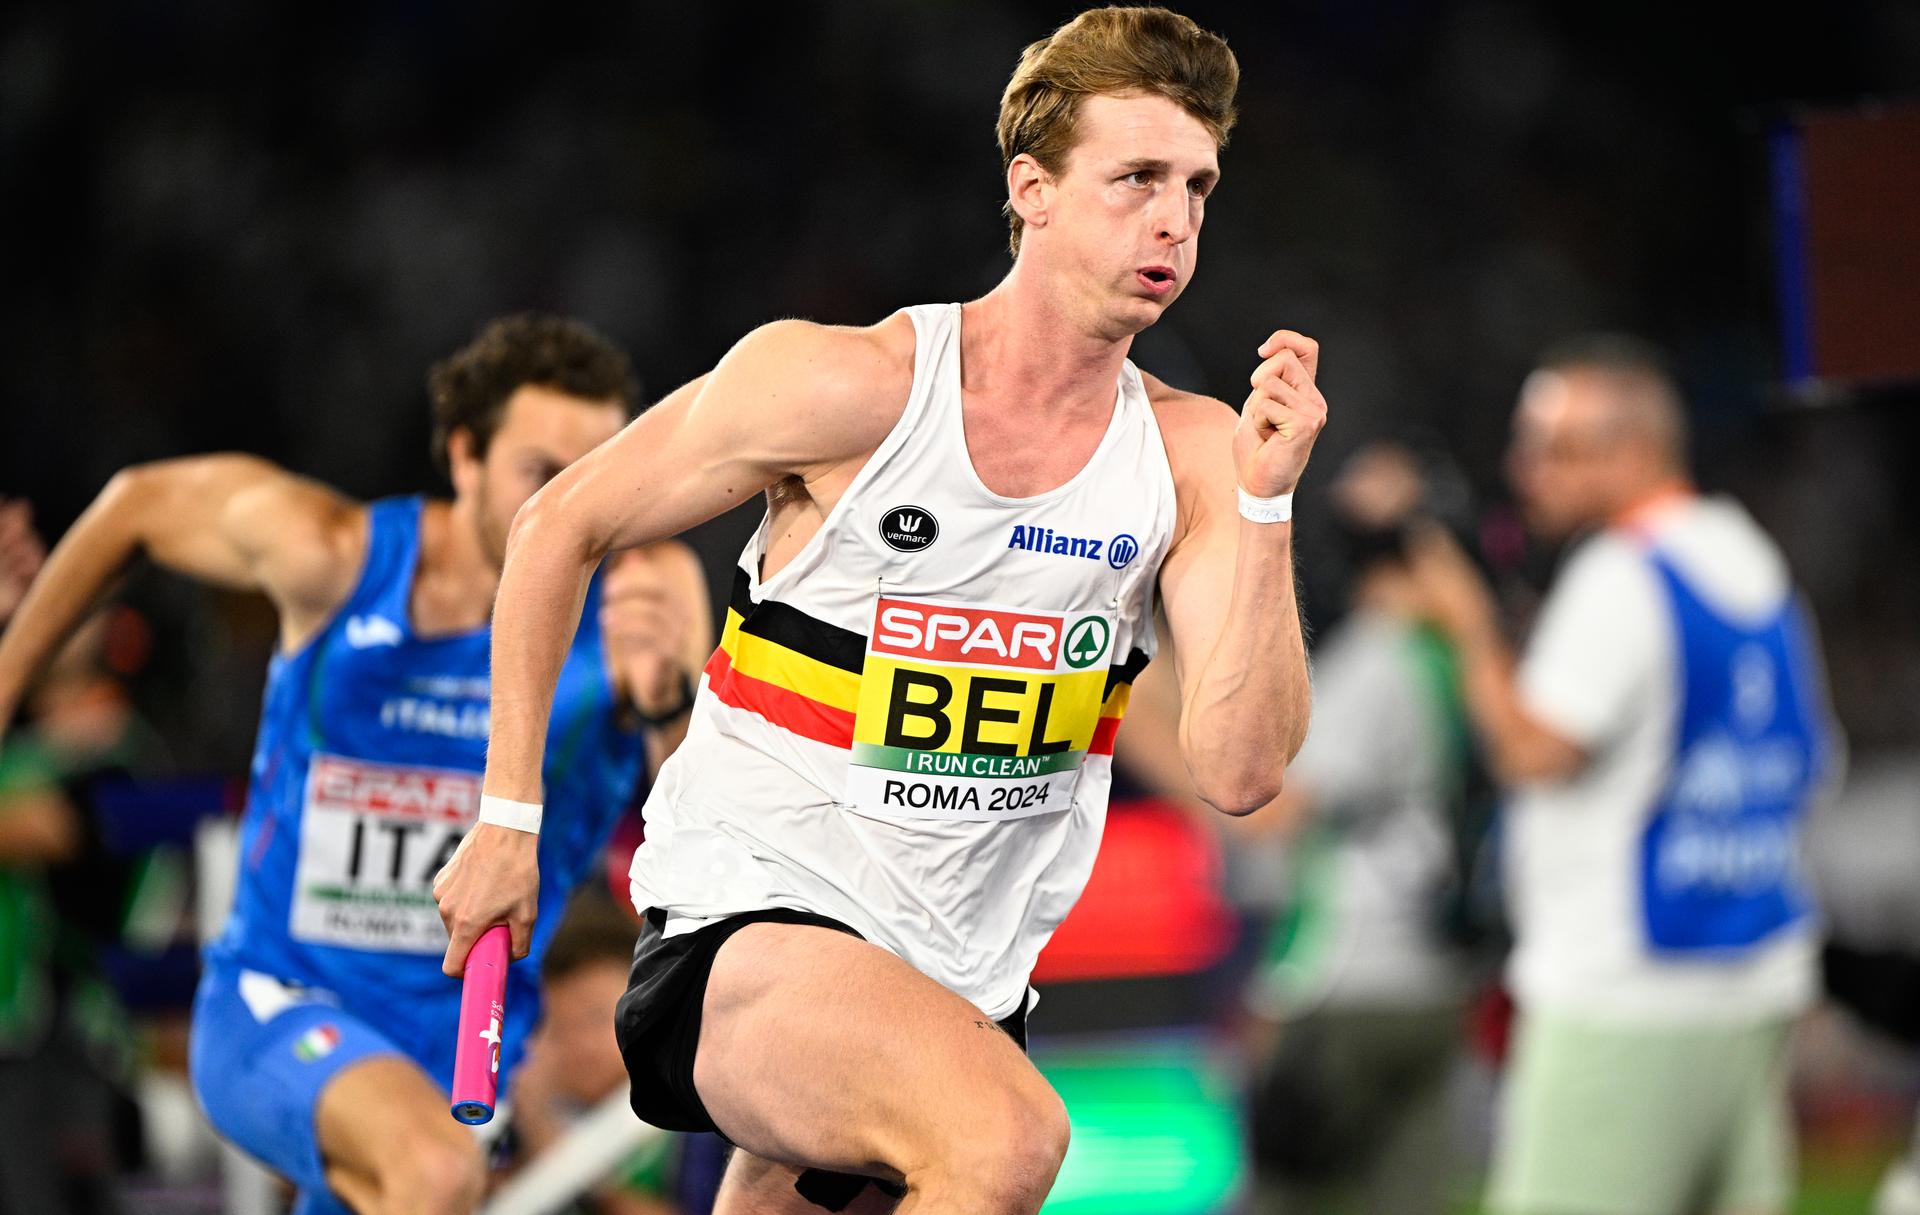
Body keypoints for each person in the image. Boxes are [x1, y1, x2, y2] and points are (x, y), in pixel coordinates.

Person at [435, 8, 1329, 1213]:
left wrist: (1267, 510)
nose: (1174, 220)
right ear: (1033, 191)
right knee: (1007, 1141)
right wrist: (506, 821)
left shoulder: (1192, 455)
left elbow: (1241, 770)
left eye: (1197, 187)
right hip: (751, 927)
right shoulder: (851, 387)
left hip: (960, 984)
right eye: (1136, 179)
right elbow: (558, 526)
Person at [0, 314, 713, 1215]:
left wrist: (669, 703)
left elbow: (703, 831)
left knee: (421, 1176)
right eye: (541, 474)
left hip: (466, 1047)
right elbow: (137, 505)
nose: (569, 509)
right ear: (464, 455)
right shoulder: (337, 556)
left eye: (595, 476)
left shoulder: (642, 593)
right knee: (431, 1172)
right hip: (282, 1004)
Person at [1408, 335, 1841, 1215]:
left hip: (1625, 987)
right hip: (1754, 977)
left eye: (1553, 448)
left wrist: (1468, 627)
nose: (1524, 471)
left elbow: (1533, 750)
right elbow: (1812, 760)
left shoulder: (1623, 573)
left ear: (1632, 449)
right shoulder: (1748, 556)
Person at [1236, 443, 1475, 1215]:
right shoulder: (1470, 657)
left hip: (1345, 977)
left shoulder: (1374, 663)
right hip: (1439, 972)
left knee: (1287, 1198)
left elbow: (1274, 816)